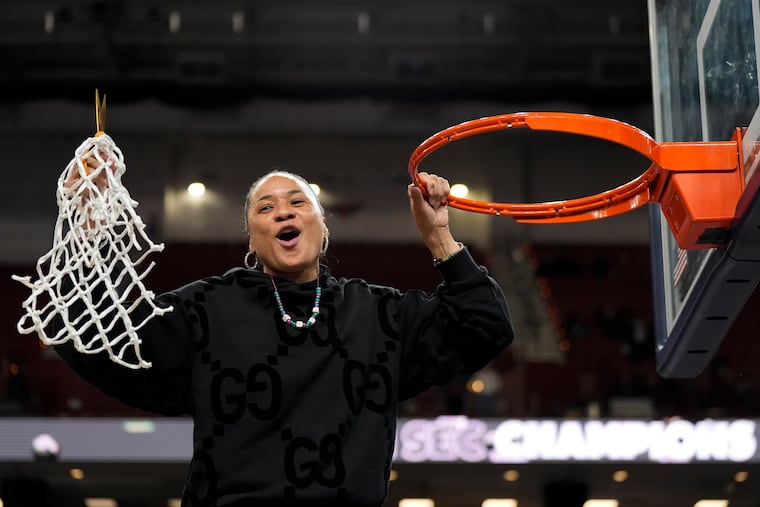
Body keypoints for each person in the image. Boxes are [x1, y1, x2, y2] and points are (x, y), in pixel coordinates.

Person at [54, 166, 515, 507]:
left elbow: (486, 326)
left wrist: (439, 238)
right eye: (266, 207)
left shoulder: (377, 313)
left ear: (323, 228)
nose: (283, 212)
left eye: (297, 202)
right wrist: (86, 228)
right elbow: (95, 337)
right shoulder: (209, 307)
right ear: (251, 241)